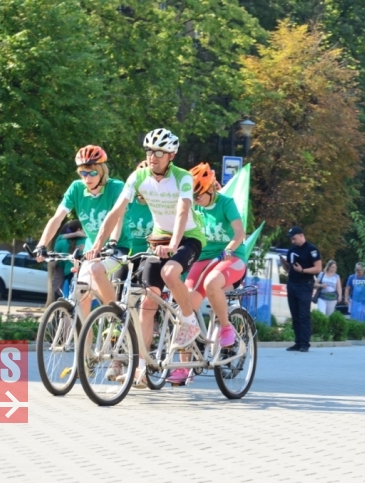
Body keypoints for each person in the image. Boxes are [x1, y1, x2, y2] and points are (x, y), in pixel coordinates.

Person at [87, 128, 206, 388]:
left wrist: (174, 244)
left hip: (188, 237)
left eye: (159, 152)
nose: (153, 157)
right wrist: (97, 245)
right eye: (150, 151)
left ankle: (188, 322)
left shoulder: (182, 177)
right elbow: (117, 210)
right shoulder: (139, 176)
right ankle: (141, 366)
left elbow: (183, 209)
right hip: (159, 239)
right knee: (147, 302)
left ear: (171, 155)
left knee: (169, 273)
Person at [35, 145, 131, 319]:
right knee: (81, 298)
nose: (88, 178)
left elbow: (117, 218)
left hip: (118, 246)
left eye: (93, 173)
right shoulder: (76, 188)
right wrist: (41, 244)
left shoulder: (116, 187)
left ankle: (117, 318)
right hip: (91, 249)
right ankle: (83, 347)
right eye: (83, 173)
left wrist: (112, 243)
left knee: (95, 270)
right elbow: (57, 218)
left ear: (102, 171)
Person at [176, 163, 246, 384]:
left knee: (212, 282)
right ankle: (183, 366)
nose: (195, 200)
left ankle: (227, 329)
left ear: (210, 190)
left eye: (198, 196)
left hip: (231, 257)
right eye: (192, 196)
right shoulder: (193, 207)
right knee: (184, 307)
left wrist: (229, 248)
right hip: (203, 258)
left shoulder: (226, 203)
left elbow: (239, 233)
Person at [281, 226, 321, 352]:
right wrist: (285, 265)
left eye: (294, 238)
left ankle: (305, 343)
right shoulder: (292, 249)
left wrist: (303, 270)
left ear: (301, 235)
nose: (292, 241)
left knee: (304, 314)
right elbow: (289, 269)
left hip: (305, 284)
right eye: (291, 239)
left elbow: (318, 268)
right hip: (292, 283)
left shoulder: (312, 249)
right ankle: (297, 342)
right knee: (295, 314)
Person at [52, 220, 86, 298]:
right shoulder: (87, 241)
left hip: (68, 274)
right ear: (79, 229)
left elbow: (52, 263)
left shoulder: (61, 241)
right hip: (84, 274)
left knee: (66, 297)